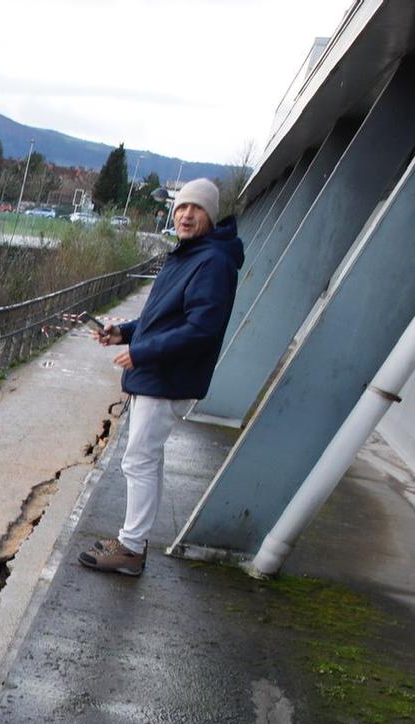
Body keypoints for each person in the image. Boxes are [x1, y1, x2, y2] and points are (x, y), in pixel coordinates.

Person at [78, 178, 244, 577]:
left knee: (139, 459)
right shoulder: (191, 255)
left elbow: (201, 329)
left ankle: (131, 548)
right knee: (144, 458)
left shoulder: (212, 262)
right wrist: (125, 333)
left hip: (167, 376)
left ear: (210, 215)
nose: (186, 215)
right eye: (181, 207)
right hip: (161, 372)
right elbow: (163, 317)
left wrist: (141, 352)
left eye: (196, 209)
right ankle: (131, 542)